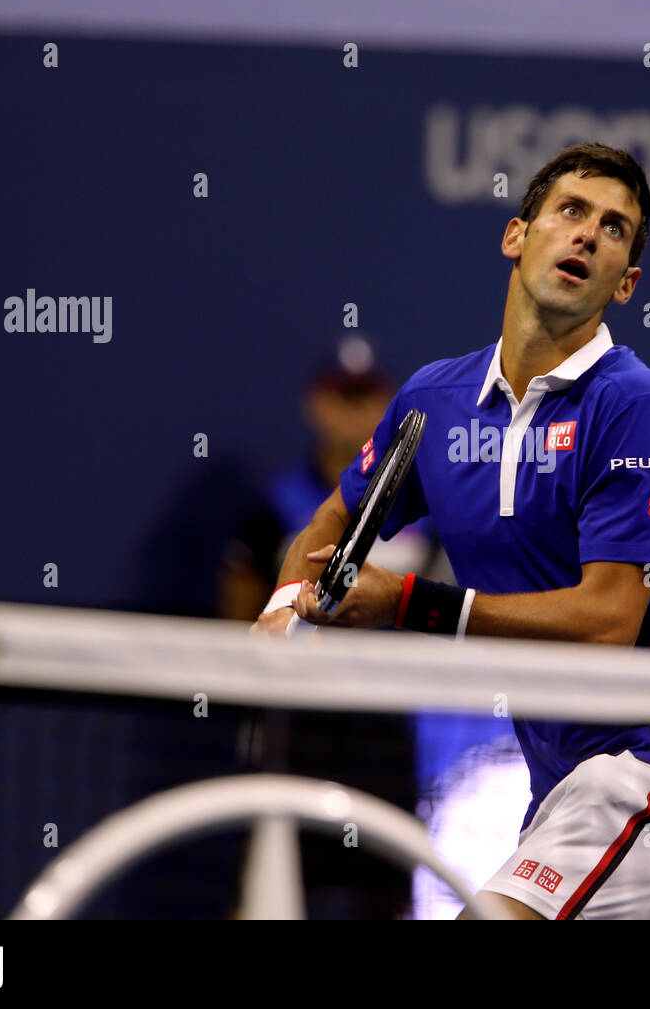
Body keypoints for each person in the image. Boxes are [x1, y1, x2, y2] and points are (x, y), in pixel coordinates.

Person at [253, 142, 650, 920]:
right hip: (563, 779)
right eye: (571, 211)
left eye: (615, 228)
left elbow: (608, 620)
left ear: (624, 284)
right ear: (516, 236)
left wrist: (411, 605)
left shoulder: (634, 407)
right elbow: (334, 520)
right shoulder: (434, 399)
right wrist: (283, 610)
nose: (588, 234)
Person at [221, 336, 436, 919]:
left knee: (387, 899)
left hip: (382, 734)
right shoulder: (273, 509)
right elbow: (241, 614)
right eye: (342, 397)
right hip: (293, 732)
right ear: (317, 405)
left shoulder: (422, 512)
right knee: (261, 889)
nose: (354, 411)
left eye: (367, 398)